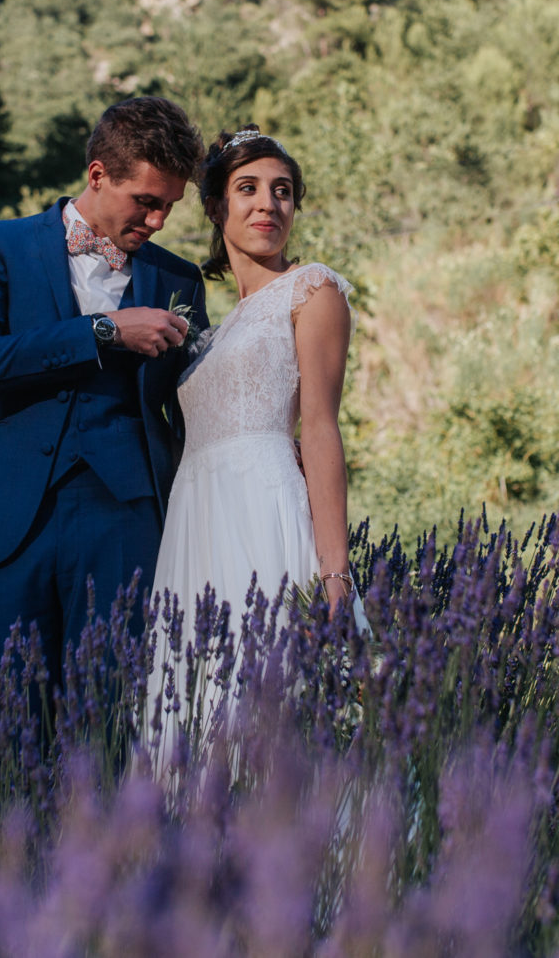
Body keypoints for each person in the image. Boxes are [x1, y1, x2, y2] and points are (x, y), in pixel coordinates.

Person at [0, 97, 209, 694]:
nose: (158, 221)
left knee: (109, 721)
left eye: (169, 207)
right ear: (98, 175)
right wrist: (103, 331)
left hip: (126, 518)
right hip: (5, 515)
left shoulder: (177, 278)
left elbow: (191, 404)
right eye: (146, 202)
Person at [148, 125, 357, 750]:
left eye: (283, 190)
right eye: (248, 188)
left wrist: (336, 574)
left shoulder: (312, 291)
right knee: (194, 713)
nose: (268, 203)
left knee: (278, 712)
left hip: (262, 516)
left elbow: (320, 428)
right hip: (193, 527)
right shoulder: (207, 330)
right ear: (217, 206)